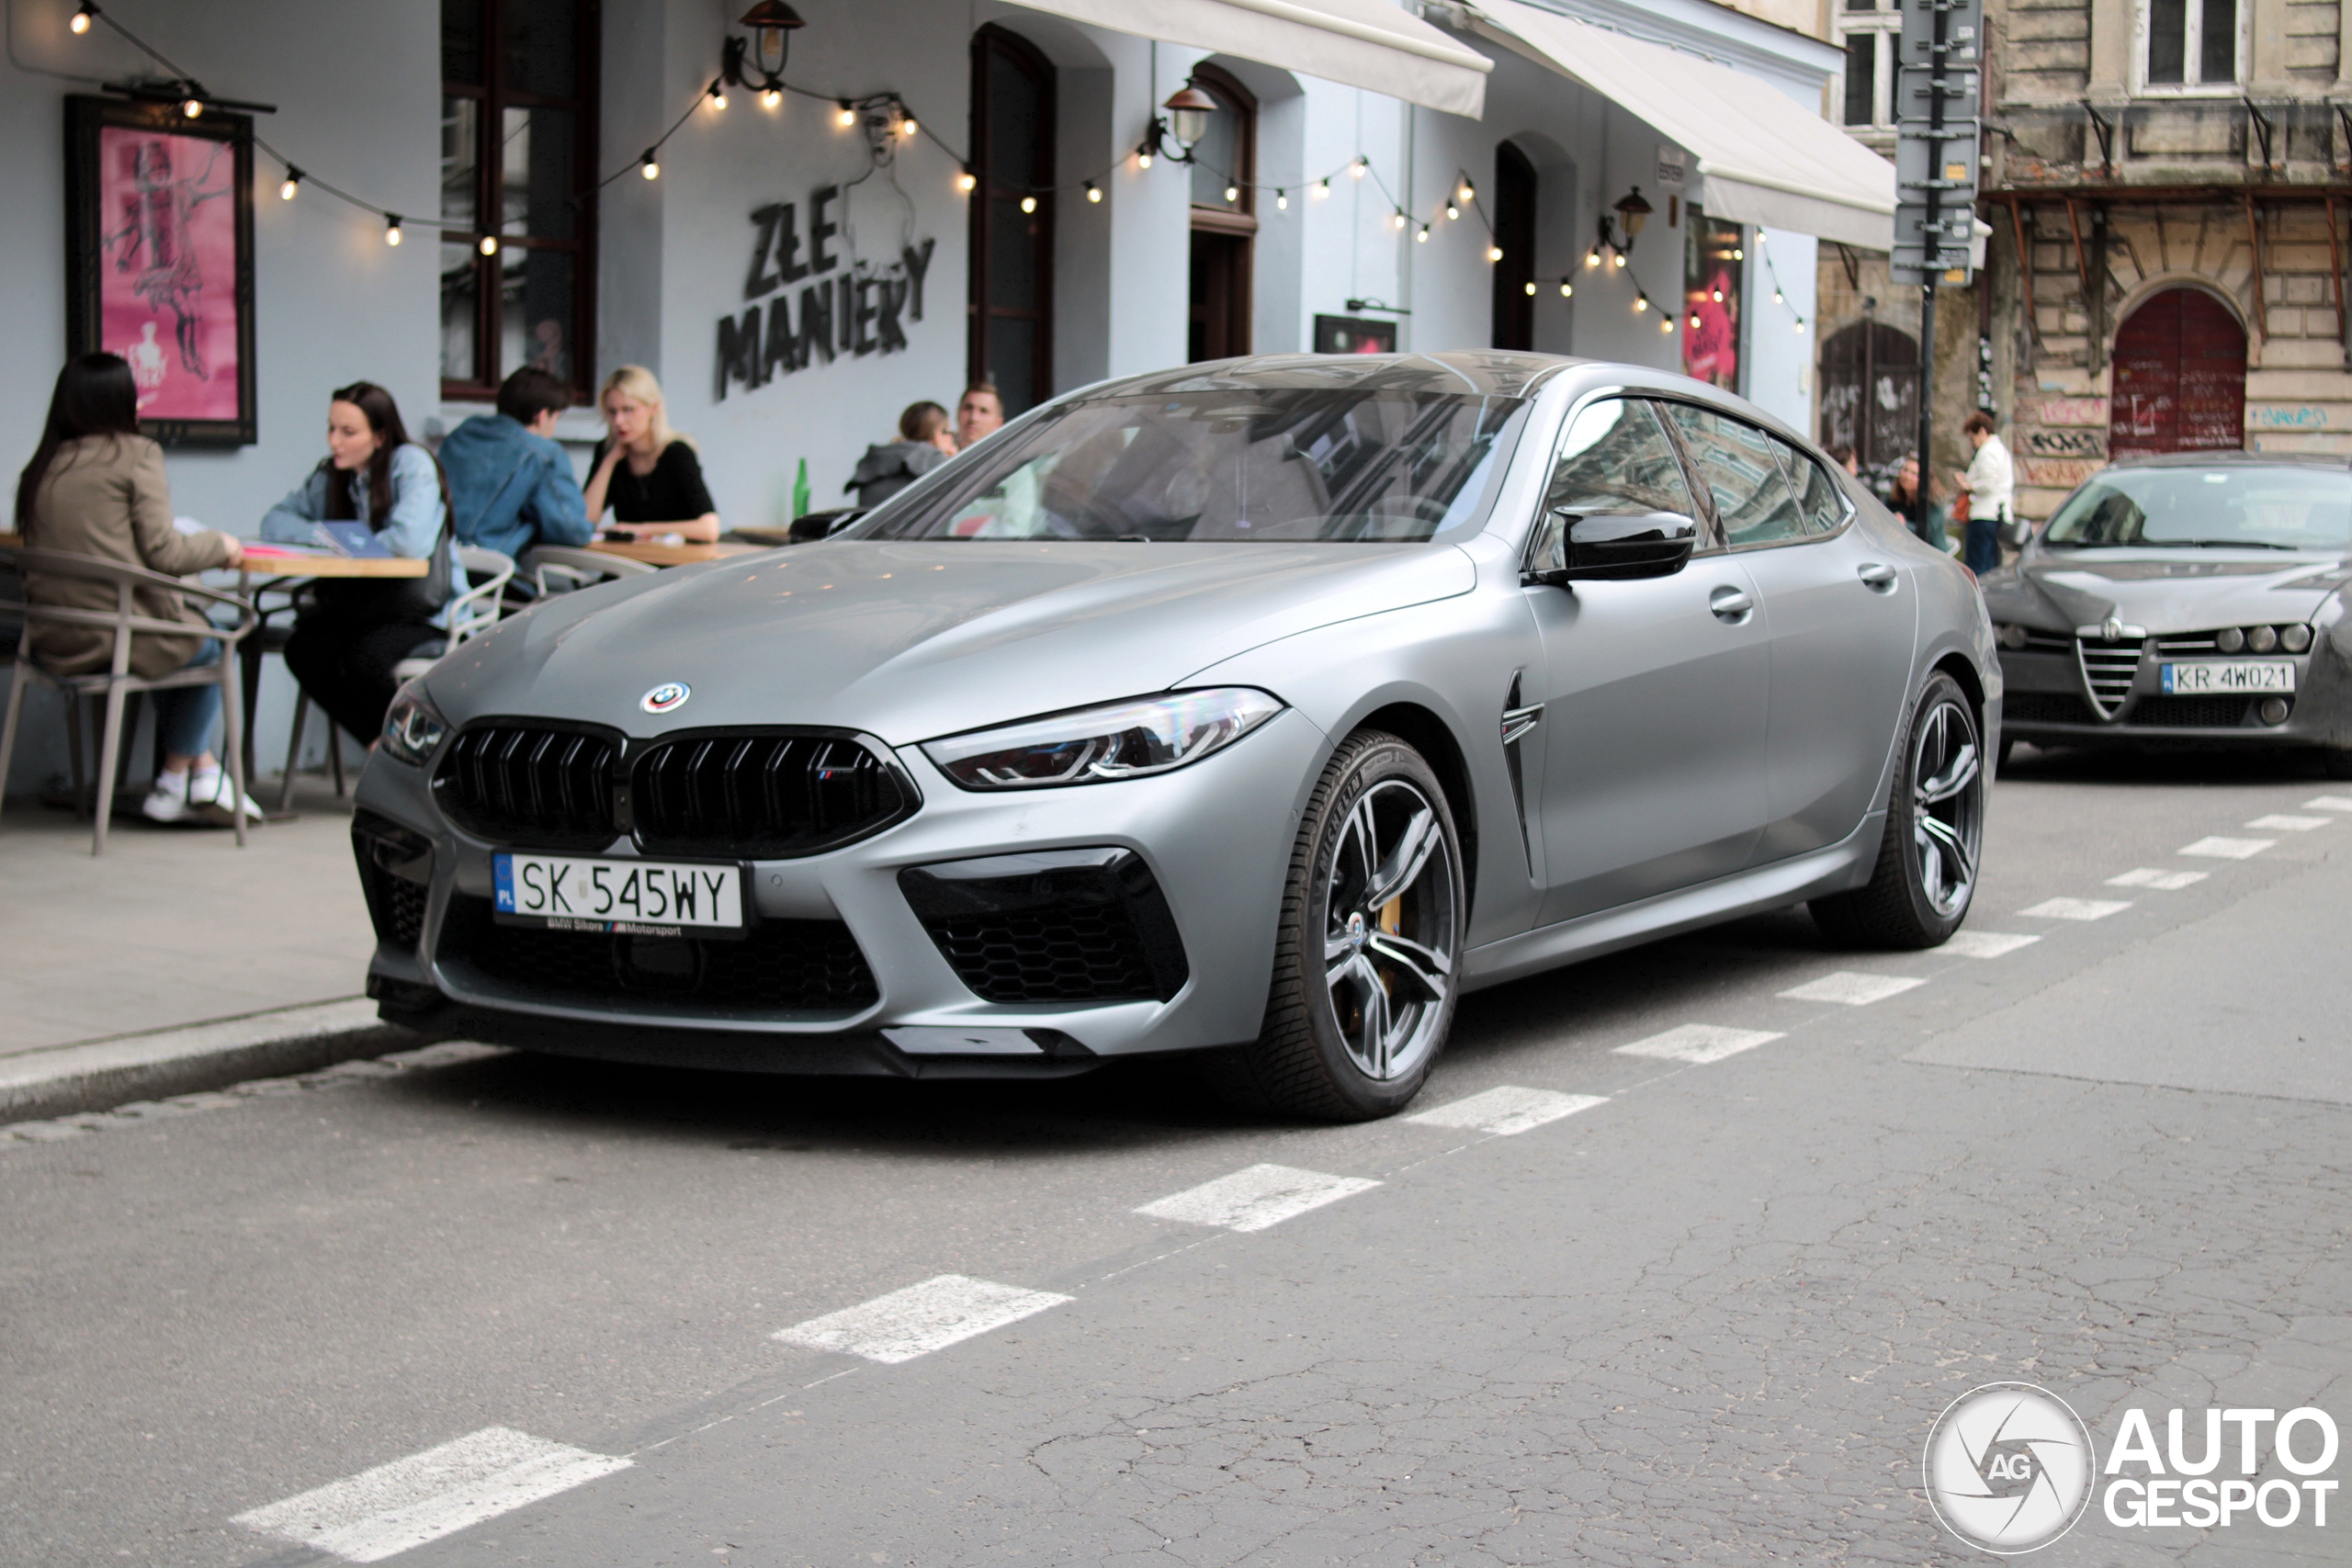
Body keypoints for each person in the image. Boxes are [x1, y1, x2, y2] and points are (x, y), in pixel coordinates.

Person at [15, 353, 259, 824]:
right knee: (209, 643)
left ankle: (199, 771)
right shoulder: (135, 453)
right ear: (123, 401)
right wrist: (220, 543)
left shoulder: (43, 466)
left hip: (52, 638)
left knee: (181, 638)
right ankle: (174, 780)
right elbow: (165, 552)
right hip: (115, 634)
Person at [262, 381, 457, 751]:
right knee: (304, 649)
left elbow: (409, 541)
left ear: (381, 435)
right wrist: (329, 536)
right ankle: (379, 746)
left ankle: (427, 749)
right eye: (331, 429)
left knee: (361, 660)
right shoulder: (333, 475)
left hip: (418, 611)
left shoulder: (411, 464)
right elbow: (276, 521)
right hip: (363, 607)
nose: (335, 441)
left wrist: (349, 544)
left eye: (348, 432)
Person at [436, 366, 591, 563]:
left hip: (440, 563)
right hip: (492, 572)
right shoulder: (543, 453)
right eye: (555, 419)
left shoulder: (462, 435)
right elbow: (573, 531)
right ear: (542, 415)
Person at [583, 366, 718, 540]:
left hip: (675, 562)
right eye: (612, 411)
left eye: (628, 410)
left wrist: (641, 529)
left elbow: (709, 528)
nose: (618, 421)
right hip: (628, 562)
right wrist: (610, 460)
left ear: (653, 408)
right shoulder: (608, 451)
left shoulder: (677, 453)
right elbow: (585, 520)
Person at [848, 401, 955, 508]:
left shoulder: (878, 458)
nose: (952, 439)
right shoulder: (934, 460)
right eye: (951, 433)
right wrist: (955, 459)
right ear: (938, 435)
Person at [1955, 409, 2014, 574]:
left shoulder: (1987, 451)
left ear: (1982, 431)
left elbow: (1989, 483)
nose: (1972, 442)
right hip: (1998, 516)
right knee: (1991, 566)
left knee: (1977, 567)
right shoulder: (2001, 450)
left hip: (1984, 516)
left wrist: (1968, 486)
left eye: (1972, 437)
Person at [1886, 455, 1951, 554]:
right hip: (1903, 552)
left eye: (1914, 474)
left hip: (1932, 555)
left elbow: (1927, 532)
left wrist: (1903, 524)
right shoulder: (1894, 499)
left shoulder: (1934, 502)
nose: (1907, 476)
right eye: (1905, 470)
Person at [954, 383, 1005, 452]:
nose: (973, 418)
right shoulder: (938, 457)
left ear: (998, 423)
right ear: (958, 413)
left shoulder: (1006, 459)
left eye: (983, 411)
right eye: (968, 408)